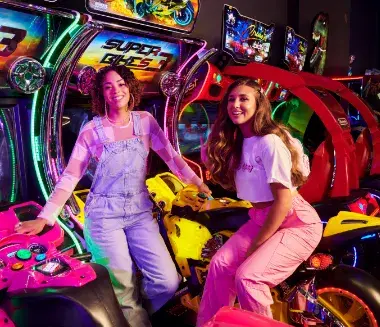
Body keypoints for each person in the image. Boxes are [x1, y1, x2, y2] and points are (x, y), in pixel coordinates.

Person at [14, 65, 211, 327]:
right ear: (101, 94)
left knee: (167, 281)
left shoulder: (145, 121)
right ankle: (131, 316)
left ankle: (129, 316)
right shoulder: (91, 131)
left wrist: (197, 183)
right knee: (123, 289)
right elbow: (70, 176)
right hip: (104, 216)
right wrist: (45, 217)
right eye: (108, 87)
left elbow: (172, 158)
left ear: (130, 87)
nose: (116, 91)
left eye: (121, 84)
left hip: (140, 212)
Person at [196, 78, 322, 326]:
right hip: (262, 217)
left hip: (296, 223)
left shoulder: (269, 142)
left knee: (248, 277)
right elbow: (244, 185)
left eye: (244, 99)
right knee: (221, 265)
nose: (236, 104)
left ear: (258, 105)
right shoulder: (240, 141)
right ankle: (213, 323)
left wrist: (255, 247)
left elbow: (283, 201)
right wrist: (208, 159)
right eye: (231, 99)